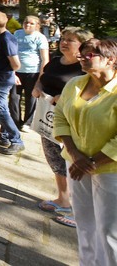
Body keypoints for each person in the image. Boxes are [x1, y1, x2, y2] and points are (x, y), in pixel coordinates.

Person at [53, 37, 117, 265]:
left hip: (110, 169)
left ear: (111, 59)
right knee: (84, 222)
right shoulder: (75, 84)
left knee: (110, 230)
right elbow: (60, 117)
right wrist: (75, 154)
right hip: (76, 163)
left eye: (90, 55)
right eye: (82, 54)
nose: (82, 58)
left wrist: (90, 161)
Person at [32, 27, 91, 229]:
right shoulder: (56, 61)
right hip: (47, 118)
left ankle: (79, 210)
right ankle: (63, 199)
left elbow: (91, 93)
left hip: (71, 123)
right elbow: (43, 76)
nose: (64, 42)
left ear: (82, 45)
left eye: (70, 40)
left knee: (71, 162)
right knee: (54, 159)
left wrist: (64, 99)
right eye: (63, 39)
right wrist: (37, 87)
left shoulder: (84, 68)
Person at [0, 11, 24, 155]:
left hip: (0, 79)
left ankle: (17, 140)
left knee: (0, 109)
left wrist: (12, 73)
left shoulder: (7, 39)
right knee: (2, 109)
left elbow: (16, 64)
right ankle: (4, 137)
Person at [11, 15, 49, 129]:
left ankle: (28, 122)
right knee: (14, 97)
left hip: (33, 72)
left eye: (31, 23)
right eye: (26, 22)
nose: (28, 25)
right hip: (17, 71)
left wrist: (41, 78)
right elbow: (11, 52)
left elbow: (45, 59)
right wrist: (12, 71)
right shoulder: (17, 34)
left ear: (37, 25)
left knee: (30, 97)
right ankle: (15, 121)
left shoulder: (40, 38)